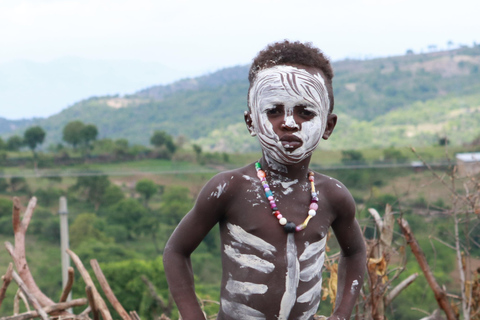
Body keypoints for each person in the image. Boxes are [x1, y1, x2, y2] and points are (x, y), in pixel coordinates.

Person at [163, 40, 366, 320]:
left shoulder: (333, 196)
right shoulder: (229, 189)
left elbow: (355, 253)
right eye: (273, 110)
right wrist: (192, 315)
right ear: (251, 122)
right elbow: (176, 250)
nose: (289, 123)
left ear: (328, 125)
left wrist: (341, 314)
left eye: (305, 112)